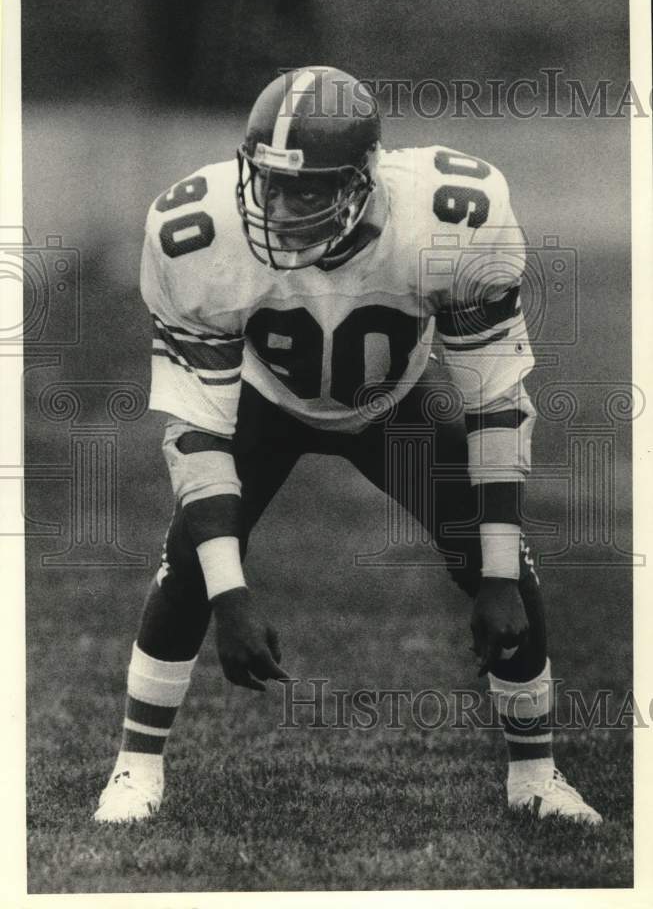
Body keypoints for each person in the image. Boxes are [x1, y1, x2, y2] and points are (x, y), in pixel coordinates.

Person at [94, 66, 601, 825]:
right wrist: (232, 598)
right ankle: (133, 770)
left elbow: (494, 398)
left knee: (497, 562)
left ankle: (536, 776)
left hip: (389, 404)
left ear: (361, 181)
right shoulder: (194, 233)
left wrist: (495, 574)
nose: (277, 208)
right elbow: (196, 430)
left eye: (305, 191)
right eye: (266, 184)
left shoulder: (450, 216)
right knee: (190, 561)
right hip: (264, 402)